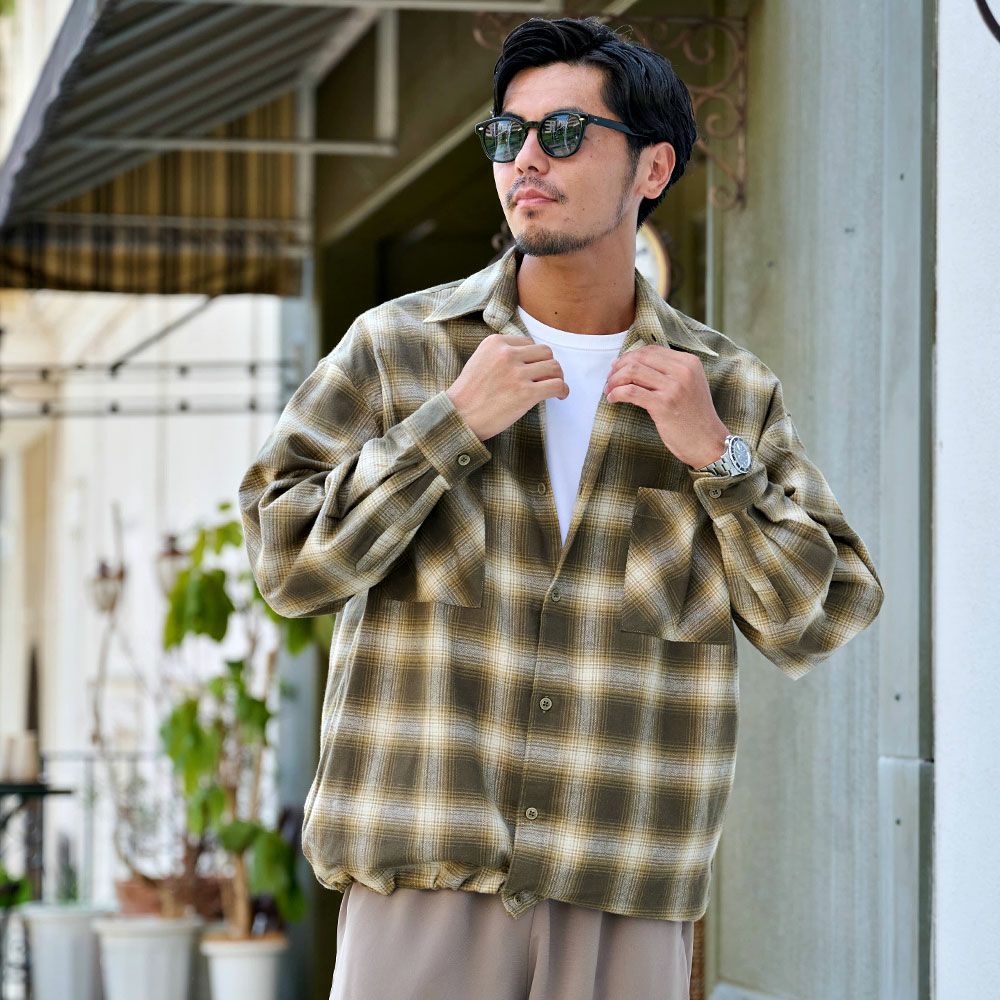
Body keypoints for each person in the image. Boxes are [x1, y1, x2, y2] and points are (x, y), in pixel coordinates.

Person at [238, 15, 884, 1000]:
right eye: (508, 135)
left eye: (565, 133)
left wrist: (720, 459)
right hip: (424, 890)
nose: (527, 159)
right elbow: (287, 564)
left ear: (652, 167)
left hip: (623, 898)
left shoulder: (725, 389)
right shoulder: (398, 349)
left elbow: (820, 615)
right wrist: (448, 426)